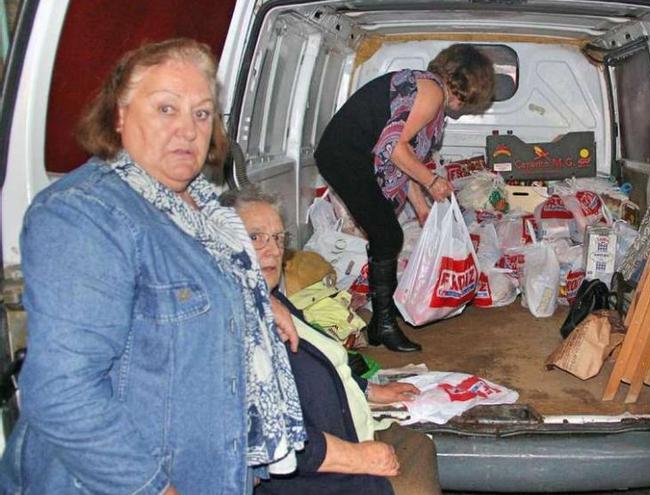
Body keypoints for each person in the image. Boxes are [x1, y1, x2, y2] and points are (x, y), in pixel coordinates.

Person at [0, 39, 306, 494]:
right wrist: (151, 488)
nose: (188, 129)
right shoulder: (85, 216)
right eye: (167, 109)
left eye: (202, 113)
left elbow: (195, 292)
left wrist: (250, 302)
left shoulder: (204, 210)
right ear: (119, 115)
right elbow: (62, 394)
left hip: (212, 471)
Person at [221, 186, 442, 495]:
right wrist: (356, 457)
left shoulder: (276, 303)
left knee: (418, 445)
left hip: (346, 435)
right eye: (255, 237)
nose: (272, 249)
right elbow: (268, 433)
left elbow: (317, 363)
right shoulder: (231, 327)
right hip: (316, 474)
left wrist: (369, 390)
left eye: (278, 238)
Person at [315, 43, 495, 352]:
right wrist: (432, 181)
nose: (464, 106)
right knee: (387, 234)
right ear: (462, 82)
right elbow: (394, 148)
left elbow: (403, 155)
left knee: (385, 234)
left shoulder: (426, 89)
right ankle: (383, 324)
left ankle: (380, 322)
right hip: (344, 154)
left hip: (350, 154)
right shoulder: (431, 92)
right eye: (469, 97)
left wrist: (422, 206)